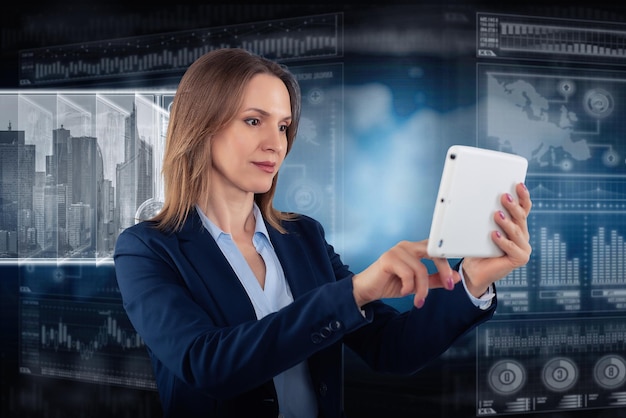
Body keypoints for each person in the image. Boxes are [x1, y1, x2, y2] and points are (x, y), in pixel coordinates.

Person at [113, 47, 532, 418]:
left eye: (282, 126)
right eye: (254, 120)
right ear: (200, 126)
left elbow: (390, 349)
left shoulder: (303, 236)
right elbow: (206, 365)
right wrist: (352, 294)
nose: (275, 143)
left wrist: (474, 278)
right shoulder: (147, 249)